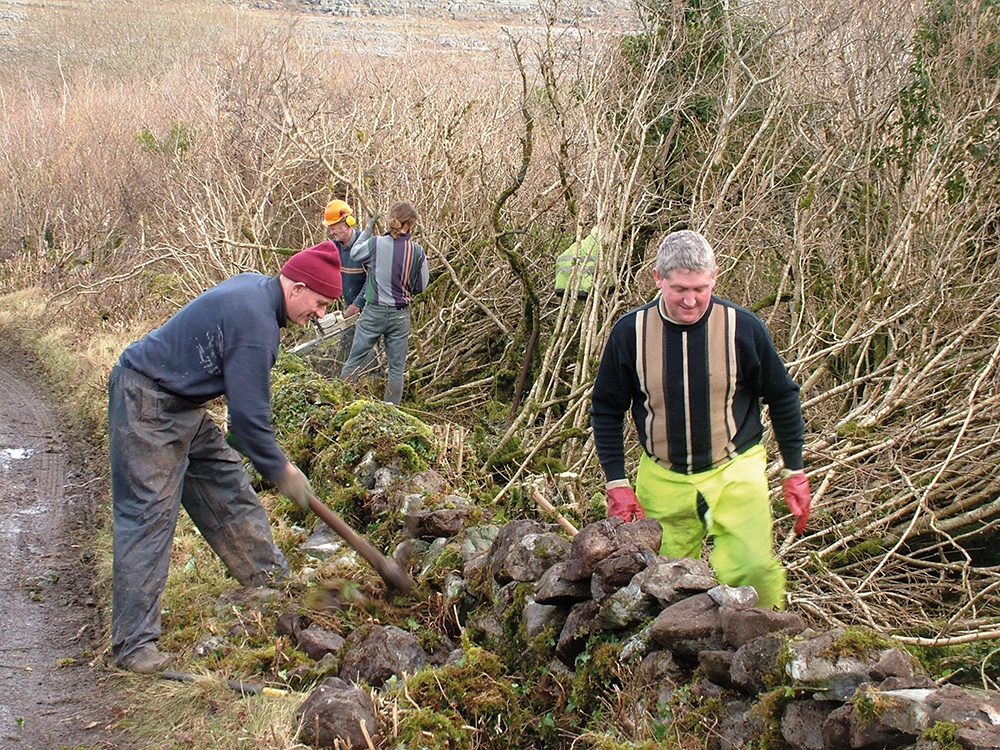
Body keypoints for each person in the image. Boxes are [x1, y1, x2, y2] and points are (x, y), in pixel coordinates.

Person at [107, 245, 342, 673]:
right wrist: (281, 469)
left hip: (182, 405)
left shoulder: (257, 292)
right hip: (146, 402)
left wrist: (267, 458)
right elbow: (249, 421)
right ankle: (133, 646)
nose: (322, 315)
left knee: (227, 487)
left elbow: (240, 420)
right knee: (149, 517)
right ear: (298, 288)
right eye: (321, 304)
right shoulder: (256, 323)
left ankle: (268, 581)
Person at [589, 230, 811, 610]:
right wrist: (616, 482)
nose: (690, 301)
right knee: (660, 583)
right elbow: (606, 408)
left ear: (715, 278)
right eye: (679, 289)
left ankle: (763, 647)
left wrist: (794, 470)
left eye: (700, 289)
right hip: (663, 475)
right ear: (658, 279)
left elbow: (783, 396)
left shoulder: (744, 328)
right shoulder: (630, 333)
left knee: (755, 571)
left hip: (735, 468)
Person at [340, 201, 428, 406]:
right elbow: (422, 286)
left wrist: (369, 228)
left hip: (373, 312)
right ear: (411, 224)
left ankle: (339, 403)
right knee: (396, 369)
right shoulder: (417, 251)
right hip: (399, 315)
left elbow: (354, 253)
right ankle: (390, 414)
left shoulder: (376, 244)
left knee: (354, 360)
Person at [321, 199, 367, 366]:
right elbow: (325, 278)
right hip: (350, 312)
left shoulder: (366, 246)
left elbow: (374, 280)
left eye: (333, 227)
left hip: (371, 311)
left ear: (346, 224)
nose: (331, 232)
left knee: (369, 357)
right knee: (345, 354)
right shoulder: (335, 248)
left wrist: (357, 305)